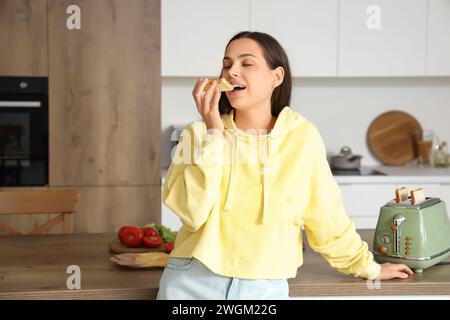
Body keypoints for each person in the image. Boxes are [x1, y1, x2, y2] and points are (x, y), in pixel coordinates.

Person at [157, 31, 413, 300]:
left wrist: (367, 267)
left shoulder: (302, 137)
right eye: (226, 64)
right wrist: (214, 134)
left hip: (264, 288)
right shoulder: (196, 134)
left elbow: (325, 216)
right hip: (191, 282)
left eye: (246, 63)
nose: (231, 71)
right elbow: (191, 213)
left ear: (276, 77)